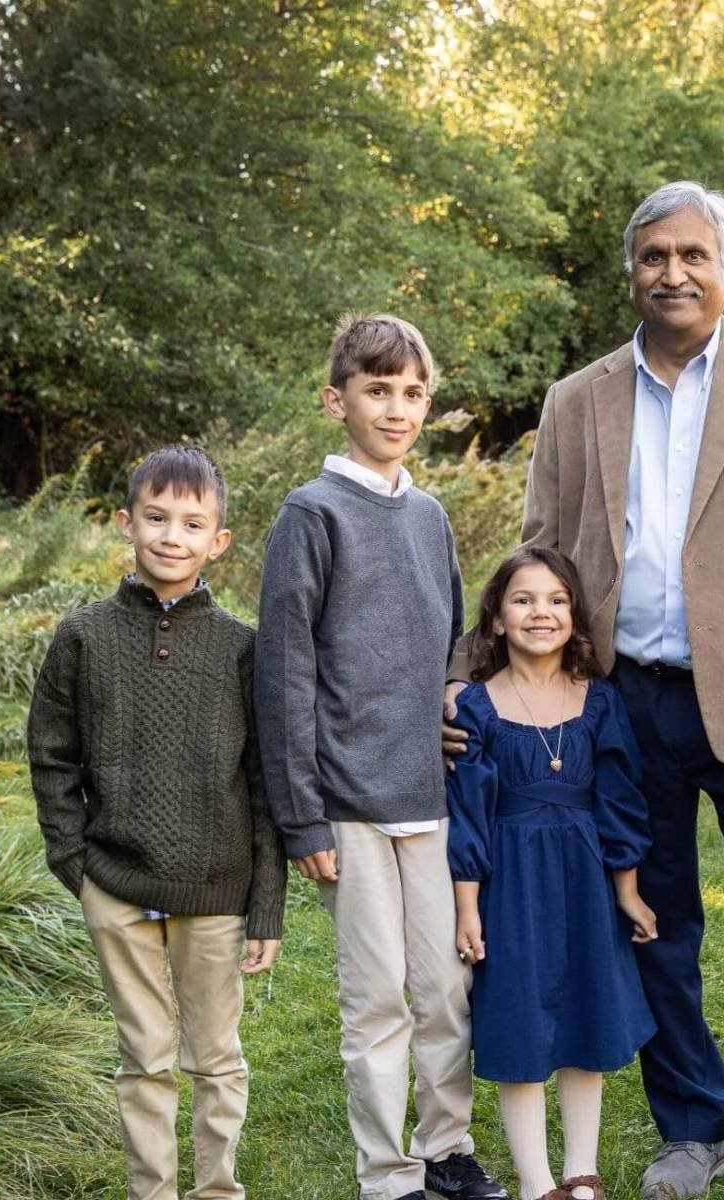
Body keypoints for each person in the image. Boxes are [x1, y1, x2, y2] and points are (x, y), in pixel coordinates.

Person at [444, 181, 724, 1200]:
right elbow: (537, 554)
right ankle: (692, 1126)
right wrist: (471, 675)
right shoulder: (576, 398)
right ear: (629, 271)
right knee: (650, 914)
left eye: (691, 255)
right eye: (652, 257)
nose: (671, 273)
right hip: (618, 704)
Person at [254, 313, 506, 1200]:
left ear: (426, 404)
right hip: (347, 804)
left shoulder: (431, 517)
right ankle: (387, 1172)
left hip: (429, 796)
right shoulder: (310, 515)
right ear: (337, 399)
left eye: (411, 393)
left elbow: (448, 645)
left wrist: (453, 708)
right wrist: (301, 814)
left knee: (445, 989)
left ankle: (445, 1150)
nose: (395, 408)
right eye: (376, 390)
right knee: (376, 1003)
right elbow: (284, 674)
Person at [28, 443, 287, 1200]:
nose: (172, 535)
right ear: (125, 523)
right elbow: (50, 754)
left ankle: (215, 1189)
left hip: (215, 889)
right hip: (115, 883)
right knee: (143, 1058)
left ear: (219, 540)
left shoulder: (242, 646)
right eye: (156, 517)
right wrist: (75, 864)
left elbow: (265, 780)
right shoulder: (83, 635)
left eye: (192, 522)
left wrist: (265, 901)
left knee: (215, 1056)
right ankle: (152, 1192)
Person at [447, 546, 657, 1200]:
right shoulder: (475, 708)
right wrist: (467, 907)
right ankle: (538, 1183)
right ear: (496, 621)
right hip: (509, 879)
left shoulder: (599, 703)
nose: (541, 612)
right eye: (522, 600)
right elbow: (467, 814)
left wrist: (626, 891)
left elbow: (619, 799)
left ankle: (581, 1172)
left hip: (584, 876)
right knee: (517, 1015)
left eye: (556, 600)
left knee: (584, 1015)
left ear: (574, 618)